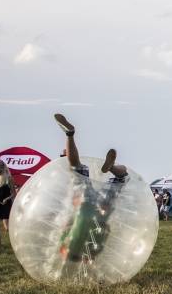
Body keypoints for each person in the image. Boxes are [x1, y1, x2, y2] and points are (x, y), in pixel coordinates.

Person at [54, 114, 130, 269]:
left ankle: (113, 168)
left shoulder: (91, 249)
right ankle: (70, 134)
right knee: (76, 167)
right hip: (85, 203)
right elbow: (67, 224)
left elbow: (105, 231)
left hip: (100, 210)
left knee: (121, 178)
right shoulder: (68, 245)